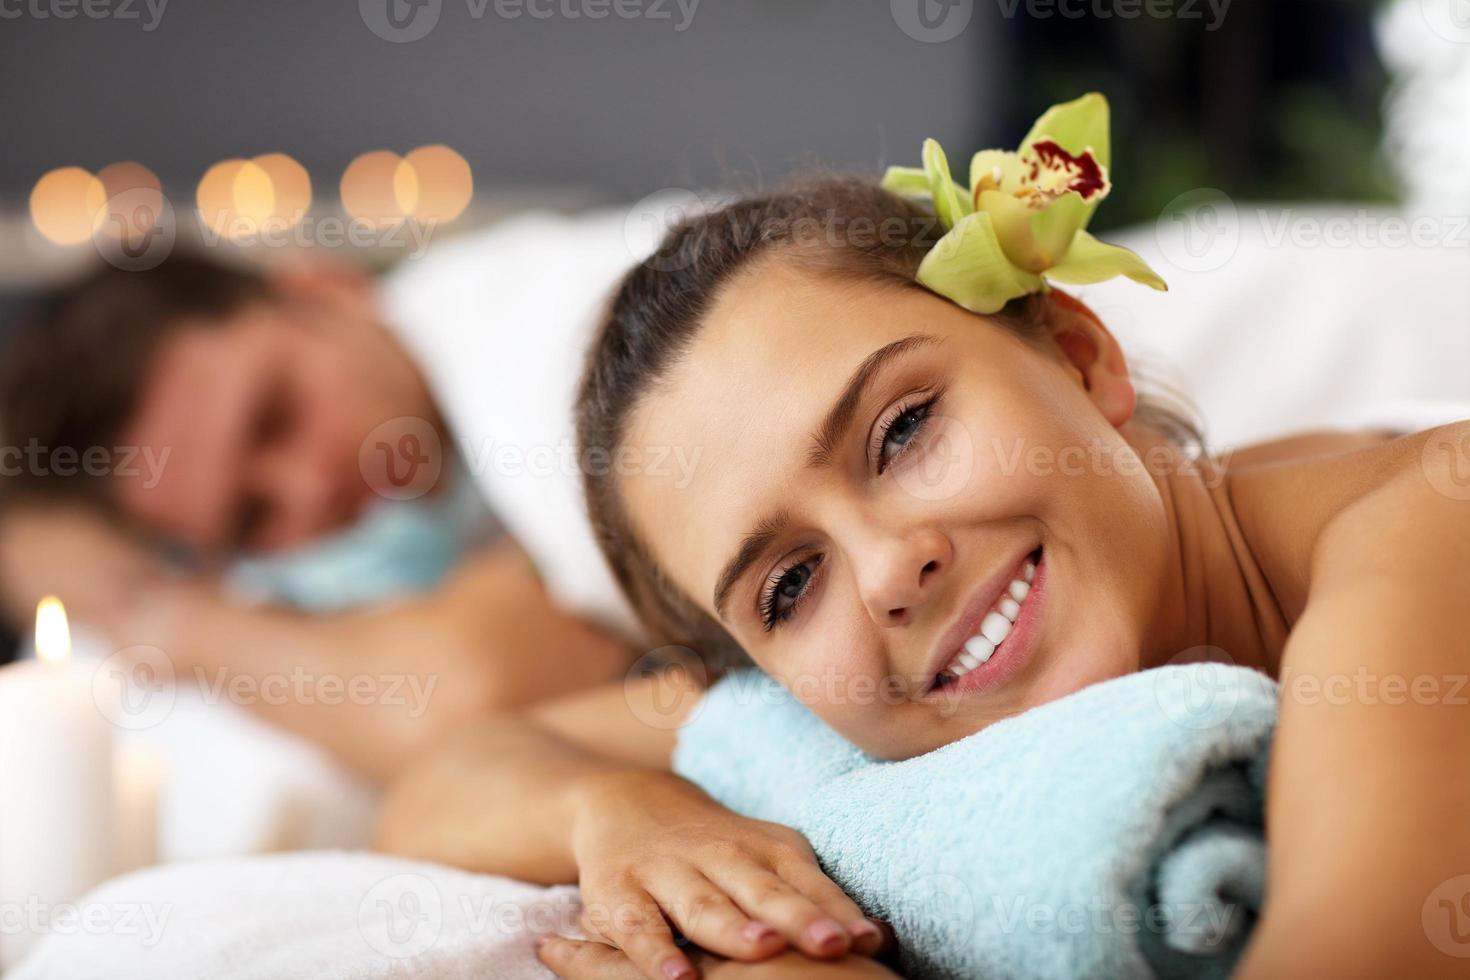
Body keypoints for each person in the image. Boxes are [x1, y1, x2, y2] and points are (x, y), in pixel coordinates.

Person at [376, 125, 1470, 978]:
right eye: (791, 584)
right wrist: (620, 816)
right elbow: (452, 773)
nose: (892, 570)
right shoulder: (826, 707)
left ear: (1083, 355)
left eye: (903, 432)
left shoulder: (1424, 528)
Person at [0, 242, 636, 780]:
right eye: (250, 517)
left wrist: (176, 624)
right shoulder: (336, 561)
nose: (306, 490)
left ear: (324, 290)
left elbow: (454, 704)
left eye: (276, 415)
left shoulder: (557, 341)